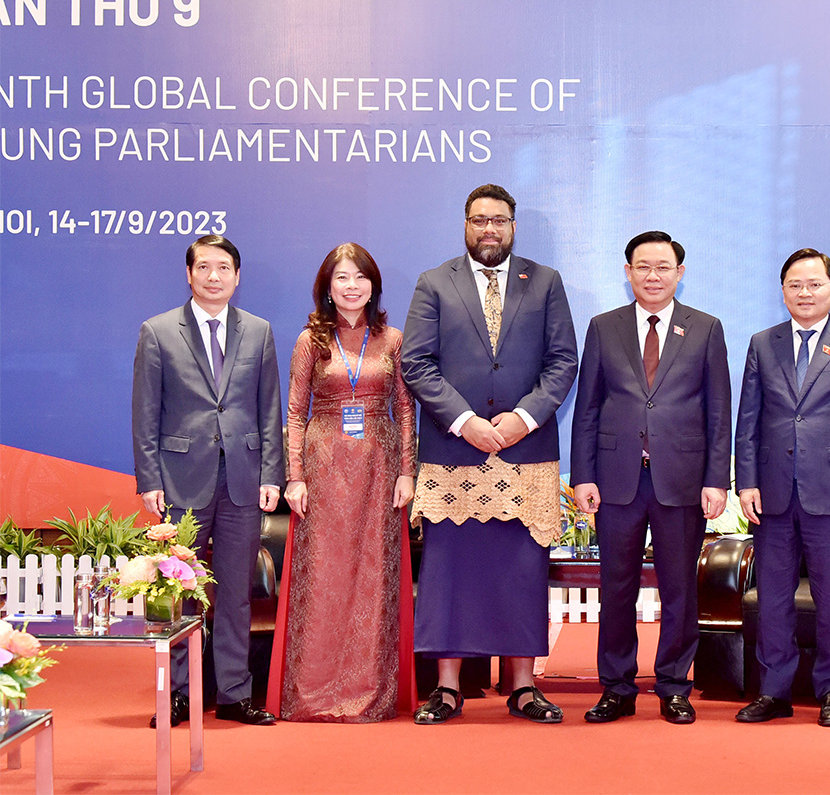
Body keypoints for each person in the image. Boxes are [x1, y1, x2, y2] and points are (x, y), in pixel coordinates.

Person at [401, 184, 578, 724]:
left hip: (526, 453)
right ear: (465, 225)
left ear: (513, 227)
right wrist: (465, 422)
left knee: (521, 569)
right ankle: (448, 687)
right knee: (449, 571)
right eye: (479, 221)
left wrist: (523, 418)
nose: (489, 230)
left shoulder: (545, 282)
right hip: (455, 451)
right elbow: (416, 364)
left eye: (499, 221)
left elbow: (563, 361)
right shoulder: (434, 283)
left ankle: (524, 686)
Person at [571, 231, 731, 725]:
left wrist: (716, 479)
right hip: (617, 479)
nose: (653, 275)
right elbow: (588, 408)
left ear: (680, 273)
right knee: (615, 587)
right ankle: (616, 687)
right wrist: (582, 476)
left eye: (663, 267)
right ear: (627, 272)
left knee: (680, 587)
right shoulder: (604, 327)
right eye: (643, 266)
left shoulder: (705, 328)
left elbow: (719, 411)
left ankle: (674, 686)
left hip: (681, 480)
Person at [132, 234, 283, 727]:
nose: (213, 276)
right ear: (189, 274)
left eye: (223, 268)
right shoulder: (157, 332)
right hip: (179, 480)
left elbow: (268, 409)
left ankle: (236, 694)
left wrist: (271, 475)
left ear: (237, 277)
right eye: (204, 267)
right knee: (176, 591)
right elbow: (145, 413)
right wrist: (148, 478)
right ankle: (178, 693)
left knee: (236, 590)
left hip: (242, 479)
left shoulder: (258, 332)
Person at [264, 242, 418, 722]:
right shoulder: (311, 340)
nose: (351, 287)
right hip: (324, 468)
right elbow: (294, 411)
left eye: (360, 278)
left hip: (379, 467)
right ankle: (313, 694)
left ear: (373, 285)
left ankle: (369, 692)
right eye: (341, 279)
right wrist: (294, 477)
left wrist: (407, 472)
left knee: (374, 576)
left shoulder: (392, 339)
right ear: (327, 289)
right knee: (322, 579)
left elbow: (407, 411)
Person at [734, 248, 830, 726]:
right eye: (795, 284)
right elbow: (748, 420)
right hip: (773, 493)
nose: (805, 292)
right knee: (773, 596)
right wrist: (747, 481)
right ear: (783, 291)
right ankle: (773, 691)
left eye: (815, 284)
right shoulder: (762, 343)